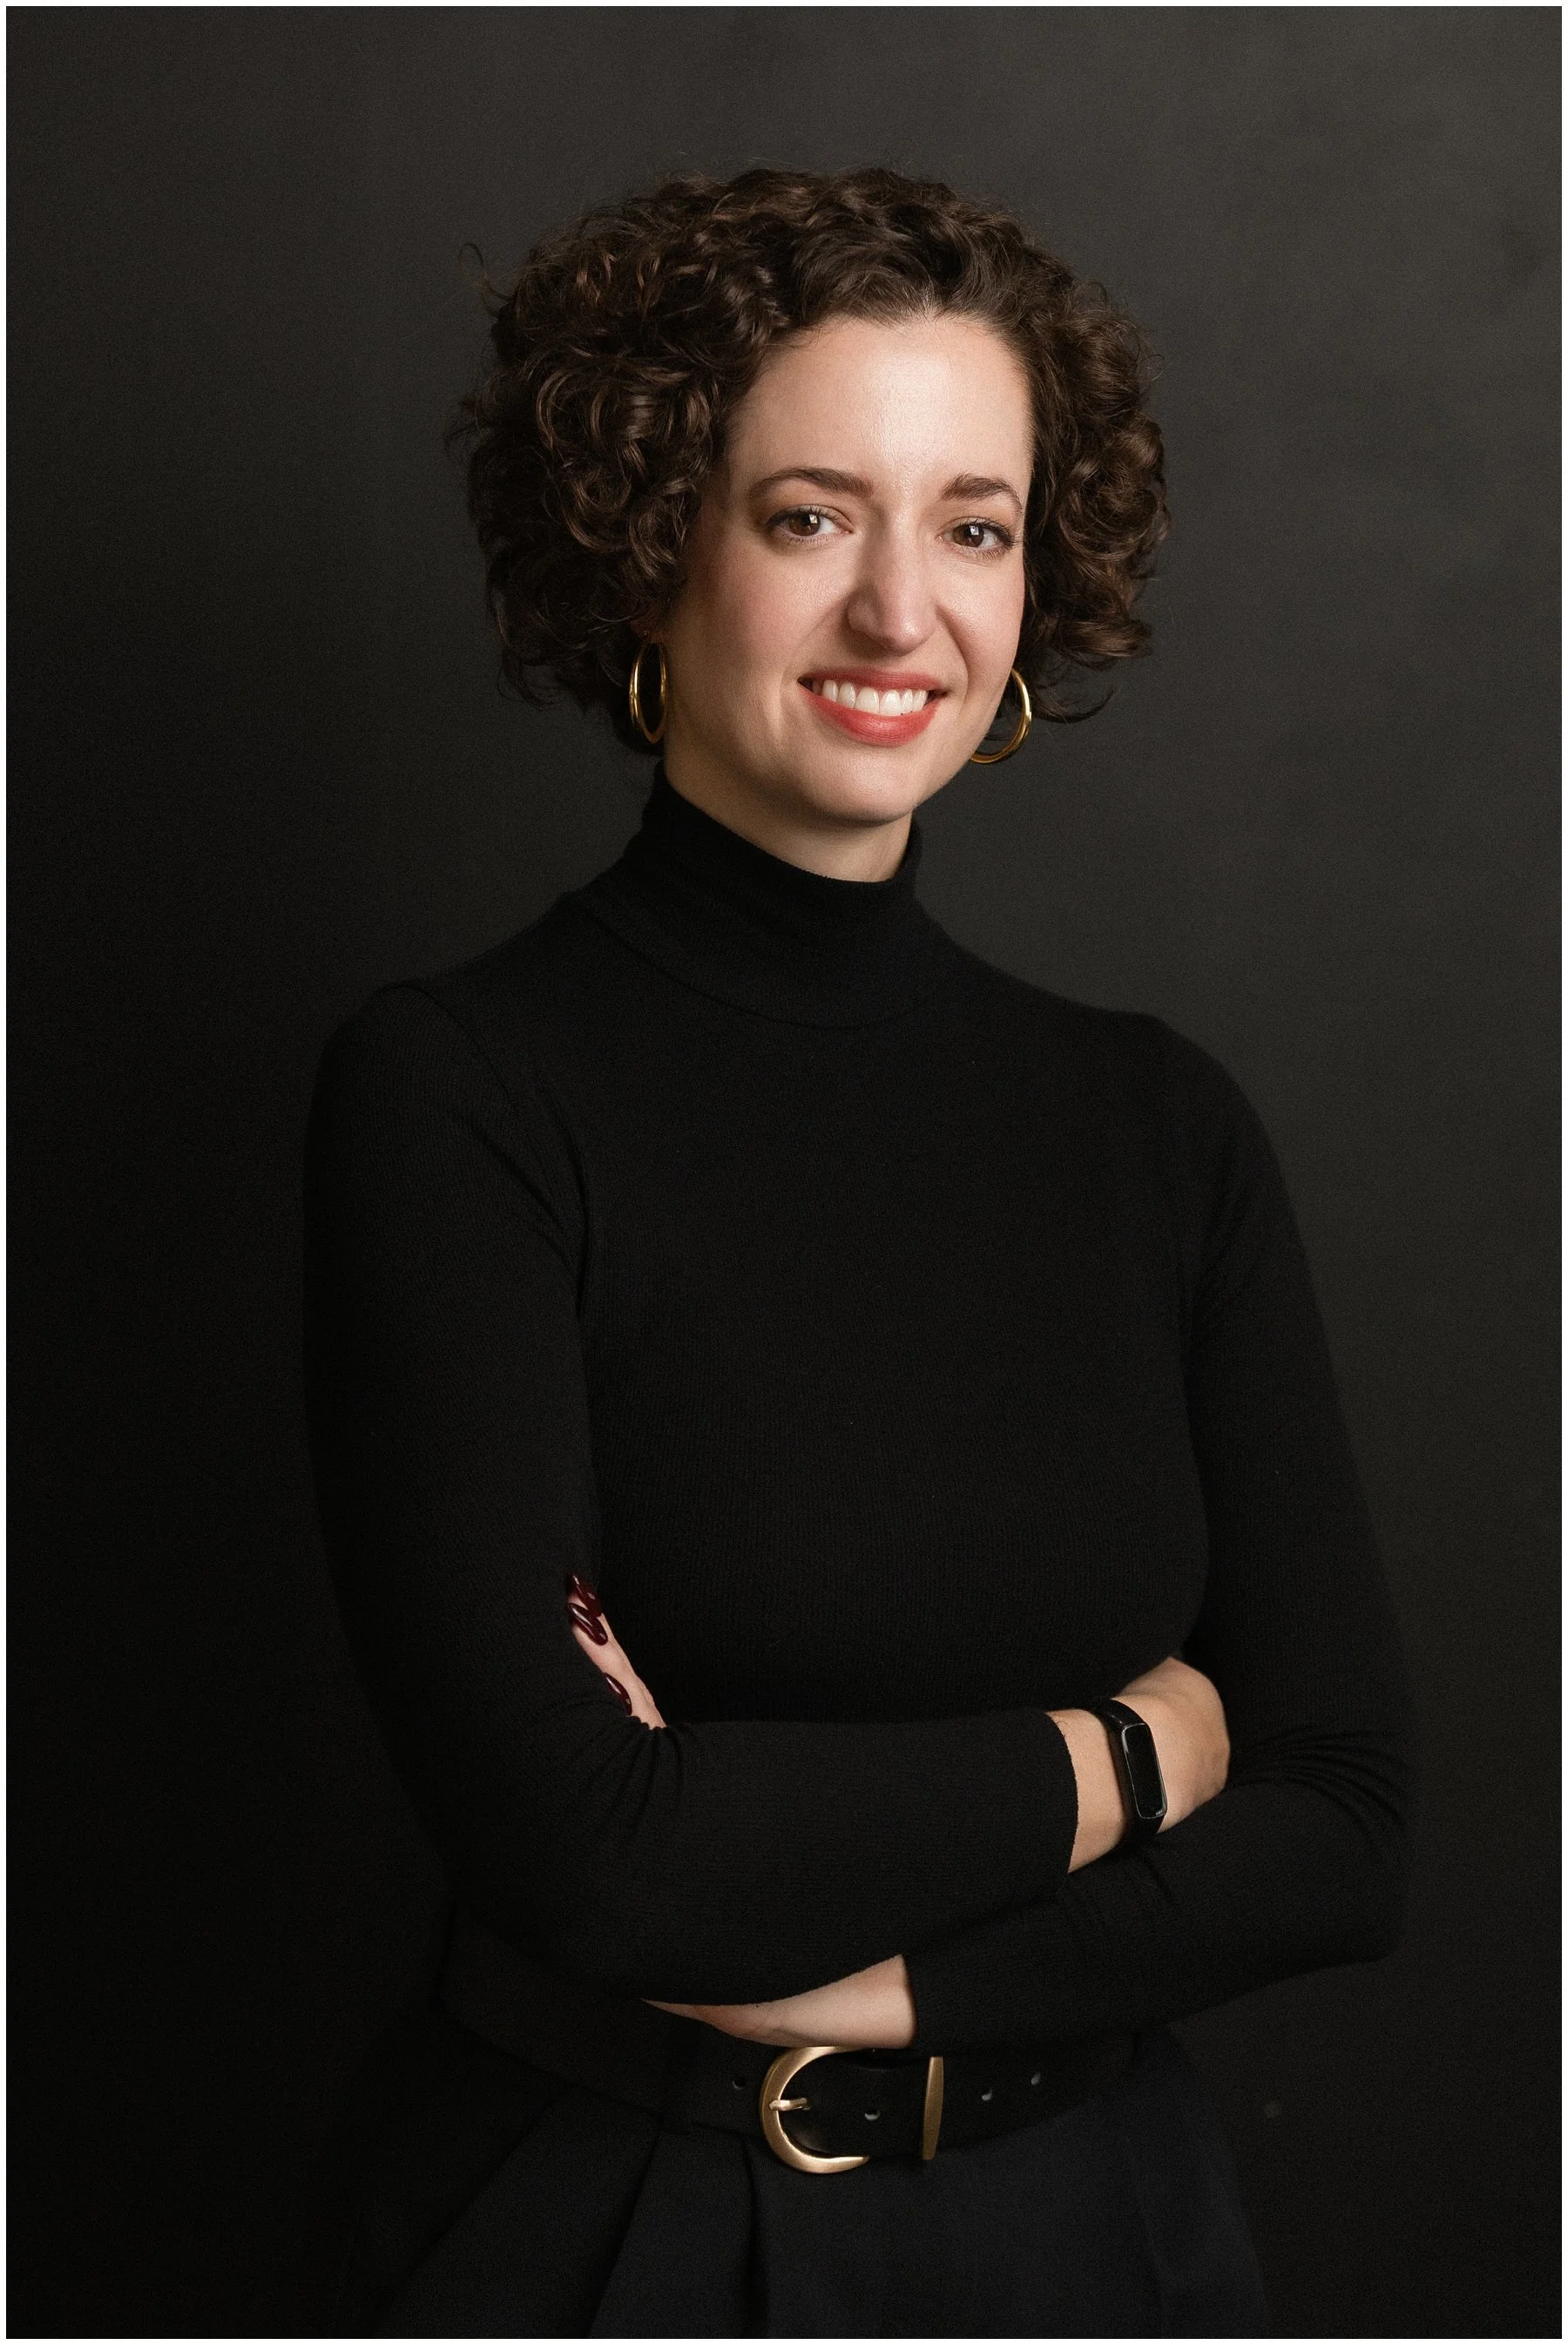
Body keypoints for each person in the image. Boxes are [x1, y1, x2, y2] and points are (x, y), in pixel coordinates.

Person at [301, 166, 1410, 2337]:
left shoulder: (1160, 1124)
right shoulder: (460, 1094)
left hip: (1113, 2246)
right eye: (813, 514)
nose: (905, 610)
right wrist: (1136, 1753)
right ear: (648, 543)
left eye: (973, 525)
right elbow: (590, 1848)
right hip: (617, 2243)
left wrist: (885, 1970)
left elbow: (1353, 1821)